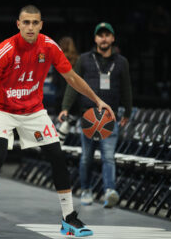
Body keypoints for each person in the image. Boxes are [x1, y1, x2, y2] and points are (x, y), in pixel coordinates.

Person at [0, 5, 115, 238]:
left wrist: (97, 100)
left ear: (41, 25)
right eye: (26, 22)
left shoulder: (48, 47)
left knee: (57, 156)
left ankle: (69, 219)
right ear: (18, 24)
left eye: (35, 22)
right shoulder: (4, 51)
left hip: (33, 110)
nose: (30, 27)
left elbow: (72, 78)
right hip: (3, 109)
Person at [58, 22, 132, 208]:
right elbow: (73, 83)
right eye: (101, 35)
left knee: (108, 156)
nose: (104, 38)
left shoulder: (121, 62)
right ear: (95, 39)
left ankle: (109, 191)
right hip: (89, 117)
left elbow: (126, 89)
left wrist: (128, 111)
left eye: (107, 35)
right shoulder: (84, 59)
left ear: (113, 39)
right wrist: (65, 107)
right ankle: (86, 189)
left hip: (110, 117)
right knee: (86, 157)